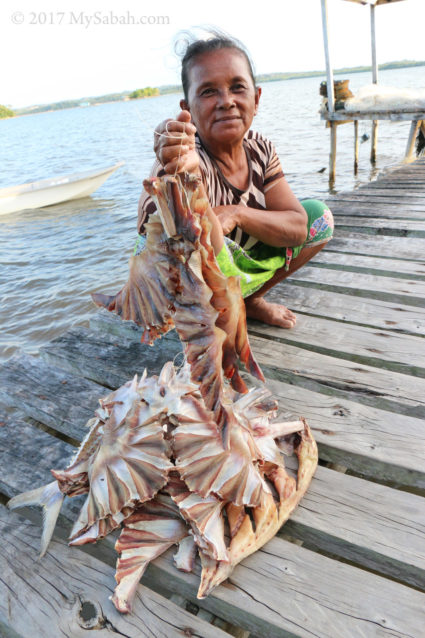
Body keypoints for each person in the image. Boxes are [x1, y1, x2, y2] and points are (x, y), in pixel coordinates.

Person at [136, 35, 334, 329]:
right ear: (186, 108)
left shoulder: (260, 148)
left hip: (226, 270)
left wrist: (236, 212)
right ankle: (213, 323)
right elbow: (180, 247)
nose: (226, 101)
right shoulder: (184, 158)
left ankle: (249, 302)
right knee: (186, 241)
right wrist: (188, 182)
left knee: (320, 218)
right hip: (181, 288)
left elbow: (297, 228)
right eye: (207, 91)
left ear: (256, 98)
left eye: (237, 87)